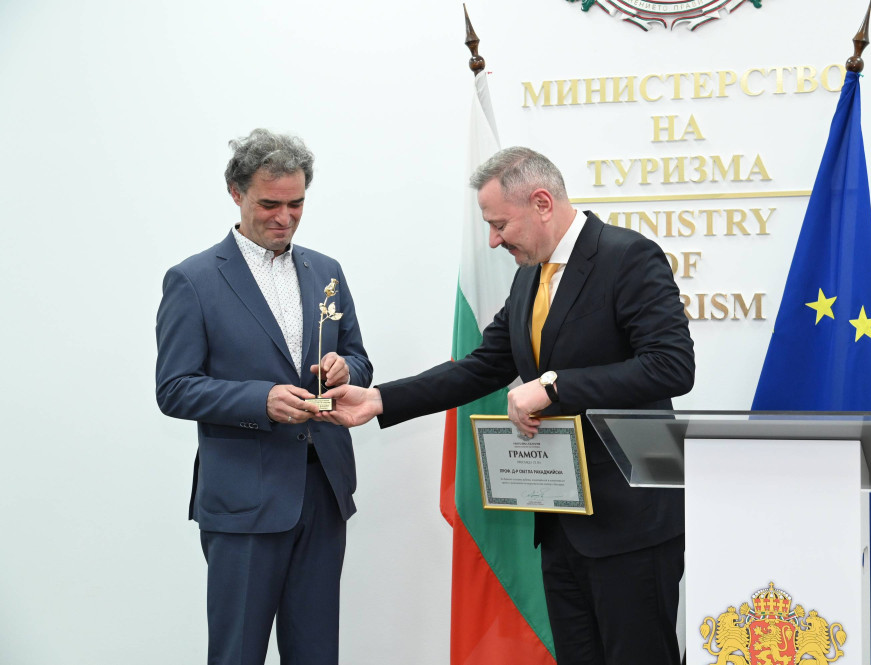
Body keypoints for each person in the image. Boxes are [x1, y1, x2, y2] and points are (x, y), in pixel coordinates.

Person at [321, 146, 694, 665]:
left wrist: (555, 387)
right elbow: (482, 366)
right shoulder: (529, 275)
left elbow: (672, 365)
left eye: (500, 225)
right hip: (564, 521)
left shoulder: (627, 256)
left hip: (634, 520)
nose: (494, 240)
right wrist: (380, 399)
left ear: (542, 202)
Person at [155, 128, 372, 665]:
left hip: (323, 490)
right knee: (238, 654)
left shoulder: (326, 271)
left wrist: (346, 368)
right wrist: (260, 400)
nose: (285, 217)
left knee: (317, 653)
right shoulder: (192, 280)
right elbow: (174, 388)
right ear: (236, 193)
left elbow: (359, 358)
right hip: (243, 502)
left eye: (296, 204)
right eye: (269, 204)